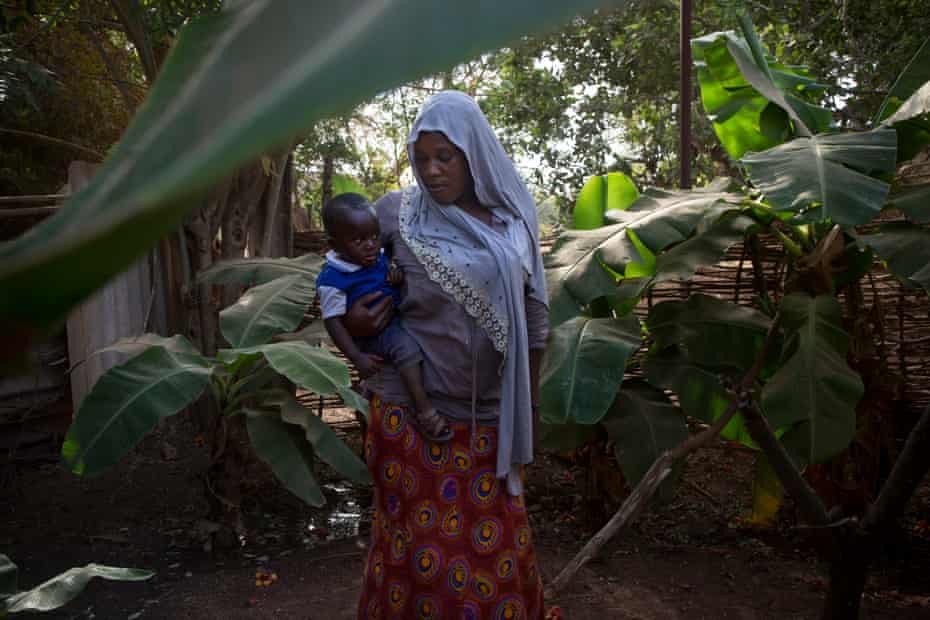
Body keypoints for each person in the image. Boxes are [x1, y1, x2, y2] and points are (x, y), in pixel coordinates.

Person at [347, 91, 549, 620]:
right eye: (421, 159)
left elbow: (535, 324)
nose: (431, 172)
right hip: (408, 415)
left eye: (446, 157)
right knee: (417, 558)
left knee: (494, 554)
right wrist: (353, 324)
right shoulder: (398, 214)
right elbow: (343, 281)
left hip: (489, 423)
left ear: (473, 155)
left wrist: (527, 410)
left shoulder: (512, 223)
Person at [316, 193, 452, 442]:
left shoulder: (375, 256)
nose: (370, 245)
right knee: (406, 350)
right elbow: (333, 322)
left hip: (393, 321)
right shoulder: (332, 280)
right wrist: (356, 357)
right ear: (335, 246)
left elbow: (388, 268)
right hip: (376, 335)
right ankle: (425, 411)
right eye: (359, 240)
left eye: (374, 236)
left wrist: (395, 274)